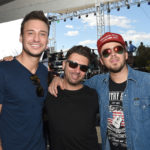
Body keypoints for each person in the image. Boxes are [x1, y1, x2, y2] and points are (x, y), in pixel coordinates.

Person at [49, 32, 150, 150]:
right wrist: (57, 79)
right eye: (106, 52)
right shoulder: (96, 83)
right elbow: (74, 80)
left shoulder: (147, 82)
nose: (113, 55)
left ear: (126, 54)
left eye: (118, 49)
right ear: (101, 60)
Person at [0, 11, 49, 150]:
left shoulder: (43, 72)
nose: (36, 39)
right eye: (30, 33)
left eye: (42, 34)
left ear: (47, 41)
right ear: (21, 37)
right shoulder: (3, 70)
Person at [45, 45, 99, 150]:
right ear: (64, 64)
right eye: (73, 64)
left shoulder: (94, 95)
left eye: (83, 68)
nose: (77, 71)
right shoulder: (50, 93)